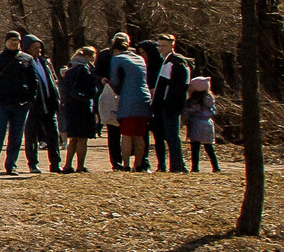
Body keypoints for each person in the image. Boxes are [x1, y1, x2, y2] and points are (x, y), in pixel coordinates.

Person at [0, 30, 37, 174]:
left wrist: (31, 99)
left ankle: (11, 165)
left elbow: (34, 81)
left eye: (17, 41)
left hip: (21, 103)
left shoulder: (27, 59)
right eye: (11, 40)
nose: (14, 43)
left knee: (16, 135)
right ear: (6, 42)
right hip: (0, 102)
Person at [102, 31, 151, 170]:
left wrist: (111, 87)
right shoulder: (140, 58)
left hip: (129, 99)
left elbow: (115, 81)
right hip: (144, 98)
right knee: (140, 134)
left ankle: (126, 164)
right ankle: (139, 164)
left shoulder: (117, 59)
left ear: (115, 50)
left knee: (127, 134)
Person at [148, 34, 193, 173]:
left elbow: (164, 88)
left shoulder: (172, 63)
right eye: (159, 45)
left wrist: (157, 105)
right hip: (172, 105)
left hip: (169, 106)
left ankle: (176, 166)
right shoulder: (175, 62)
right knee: (171, 135)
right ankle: (179, 165)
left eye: (164, 46)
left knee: (171, 136)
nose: (161, 49)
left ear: (172, 45)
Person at [22, 34, 63, 173]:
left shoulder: (45, 62)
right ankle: (33, 164)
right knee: (31, 135)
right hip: (33, 106)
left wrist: (56, 98)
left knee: (53, 134)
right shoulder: (24, 63)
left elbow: (52, 81)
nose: (38, 50)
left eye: (39, 47)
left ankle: (55, 163)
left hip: (49, 104)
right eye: (35, 48)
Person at [58, 45, 102, 172]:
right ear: (87, 56)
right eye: (93, 56)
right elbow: (91, 88)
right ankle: (80, 166)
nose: (94, 59)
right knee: (82, 138)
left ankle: (67, 165)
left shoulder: (71, 69)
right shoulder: (84, 69)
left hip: (71, 107)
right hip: (82, 107)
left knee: (73, 139)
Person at [183, 75, 221, 172]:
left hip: (196, 124)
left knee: (195, 148)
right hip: (208, 124)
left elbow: (187, 111)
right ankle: (216, 167)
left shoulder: (193, 101)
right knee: (209, 147)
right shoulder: (210, 98)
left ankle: (195, 167)